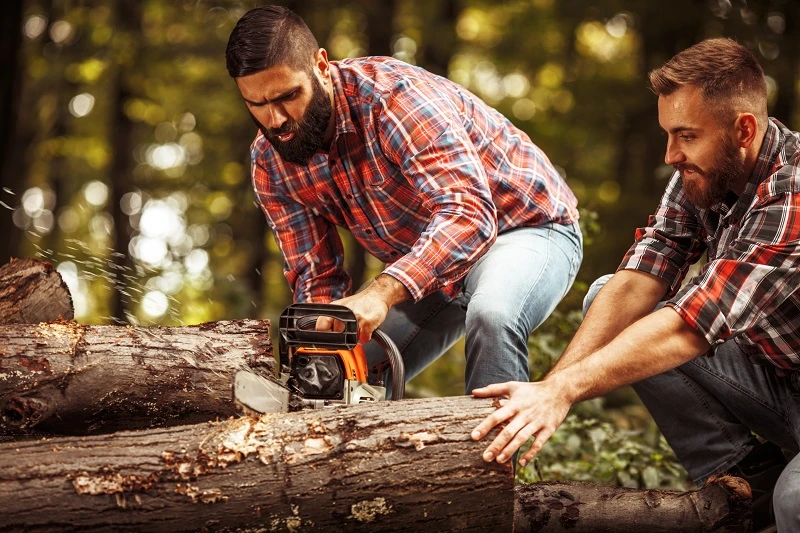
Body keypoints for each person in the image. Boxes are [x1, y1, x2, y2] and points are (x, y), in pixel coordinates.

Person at [471, 37, 800, 531]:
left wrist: (562, 393)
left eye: (686, 136)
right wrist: (548, 388)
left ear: (744, 129)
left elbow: (693, 325)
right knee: (605, 290)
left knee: (793, 504)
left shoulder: (791, 193)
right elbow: (642, 275)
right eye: (668, 134)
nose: (671, 154)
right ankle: (746, 477)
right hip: (779, 378)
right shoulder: (705, 171)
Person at [224, 6, 582, 394]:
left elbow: (469, 216)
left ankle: (491, 453)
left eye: (288, 96)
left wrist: (381, 292)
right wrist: (317, 344)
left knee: (492, 314)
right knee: (336, 375)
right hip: (429, 264)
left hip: (525, 228)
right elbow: (316, 275)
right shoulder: (270, 161)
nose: (275, 120)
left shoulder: (393, 100)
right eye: (256, 105)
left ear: (321, 65)